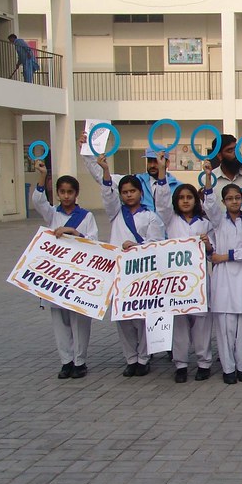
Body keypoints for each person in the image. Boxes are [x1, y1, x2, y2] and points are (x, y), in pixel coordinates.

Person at [91, 153, 165, 376]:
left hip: (142, 273)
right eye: (124, 192)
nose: (128, 195)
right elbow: (107, 195)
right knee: (123, 317)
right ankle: (130, 358)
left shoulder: (150, 216)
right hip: (119, 272)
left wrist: (137, 245)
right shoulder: (115, 213)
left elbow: (156, 243)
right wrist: (105, 170)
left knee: (142, 317)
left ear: (140, 193)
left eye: (132, 191)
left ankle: (143, 358)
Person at [30, 160, 99, 380]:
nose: (66, 196)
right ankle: (66, 361)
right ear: (57, 193)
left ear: (76, 193)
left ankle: (80, 361)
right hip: (56, 276)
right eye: (62, 192)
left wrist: (73, 232)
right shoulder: (53, 215)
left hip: (79, 276)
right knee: (60, 321)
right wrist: (42, 176)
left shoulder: (86, 216)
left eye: (70, 192)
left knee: (79, 321)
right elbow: (38, 201)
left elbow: (94, 242)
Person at [154, 156, 214, 383]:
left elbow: (211, 251)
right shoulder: (170, 220)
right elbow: (161, 202)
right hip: (176, 281)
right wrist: (161, 170)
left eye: (190, 197)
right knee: (179, 323)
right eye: (181, 198)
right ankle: (180, 364)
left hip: (199, 281)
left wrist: (208, 245)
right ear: (176, 201)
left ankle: (204, 362)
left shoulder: (204, 222)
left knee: (201, 323)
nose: (186, 201)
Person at [202, 164, 242, 384]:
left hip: (241, 277)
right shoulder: (217, 221)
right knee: (224, 329)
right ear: (223, 202)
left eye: (237, 198)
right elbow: (209, 203)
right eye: (229, 198)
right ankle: (228, 369)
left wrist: (224, 257)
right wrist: (207, 176)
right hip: (223, 281)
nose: (234, 201)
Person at [79, 133, 180, 212]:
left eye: (157, 161)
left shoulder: (178, 187)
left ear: (167, 163)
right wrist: (86, 152)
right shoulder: (136, 181)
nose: (152, 165)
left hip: (168, 238)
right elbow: (103, 178)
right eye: (150, 161)